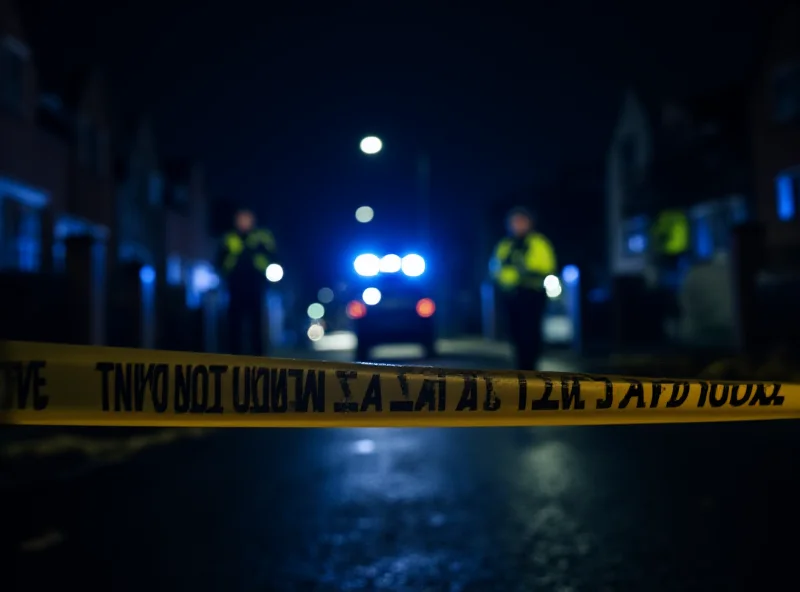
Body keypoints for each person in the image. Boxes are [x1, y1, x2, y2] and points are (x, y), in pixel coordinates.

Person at [490, 206, 557, 370]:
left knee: (532, 332)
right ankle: (521, 365)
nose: (518, 225)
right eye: (515, 222)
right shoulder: (505, 245)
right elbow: (496, 269)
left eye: (522, 221)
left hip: (533, 294)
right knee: (515, 332)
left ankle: (532, 365)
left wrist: (525, 272)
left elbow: (547, 266)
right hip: (512, 295)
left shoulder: (539, 243)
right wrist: (510, 277)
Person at [218, 208, 278, 355]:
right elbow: (220, 262)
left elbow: (274, 258)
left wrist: (257, 253)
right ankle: (234, 359)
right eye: (241, 218)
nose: (244, 222)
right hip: (235, 287)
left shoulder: (263, 237)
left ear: (253, 220)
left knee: (257, 325)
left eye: (247, 218)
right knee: (234, 326)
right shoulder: (229, 238)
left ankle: (259, 359)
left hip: (256, 286)